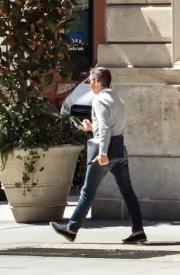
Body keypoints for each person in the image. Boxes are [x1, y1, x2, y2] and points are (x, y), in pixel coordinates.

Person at [53, 65, 147, 244]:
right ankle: (138, 231)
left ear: (97, 81)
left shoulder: (98, 100)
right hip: (120, 150)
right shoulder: (117, 99)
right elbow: (109, 126)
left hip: (105, 152)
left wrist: (102, 153)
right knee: (128, 191)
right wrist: (91, 127)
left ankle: (71, 229)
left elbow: (104, 128)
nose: (89, 84)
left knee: (88, 191)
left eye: (90, 81)